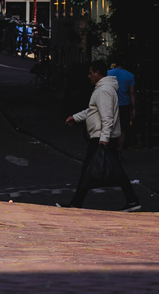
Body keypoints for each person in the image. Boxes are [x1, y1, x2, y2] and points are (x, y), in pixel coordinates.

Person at [58, 58, 141, 210]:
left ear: (97, 73)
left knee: (88, 171)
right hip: (102, 136)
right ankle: (132, 200)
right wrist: (76, 118)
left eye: (90, 73)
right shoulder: (103, 89)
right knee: (114, 171)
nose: (88, 76)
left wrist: (103, 139)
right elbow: (92, 111)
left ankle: (76, 204)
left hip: (100, 137)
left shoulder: (103, 90)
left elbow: (107, 117)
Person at [108, 58, 137, 145]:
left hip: (111, 104)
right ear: (124, 63)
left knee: (110, 128)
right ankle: (120, 153)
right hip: (124, 105)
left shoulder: (108, 73)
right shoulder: (130, 75)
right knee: (122, 130)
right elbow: (132, 93)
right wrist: (134, 108)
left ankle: (111, 151)